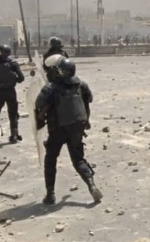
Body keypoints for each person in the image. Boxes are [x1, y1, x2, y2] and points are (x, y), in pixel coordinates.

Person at [34, 58, 103, 206]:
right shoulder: (81, 84)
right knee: (78, 160)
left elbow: (38, 104)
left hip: (58, 129)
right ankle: (92, 186)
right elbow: (88, 102)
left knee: (51, 159)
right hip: (76, 128)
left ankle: (50, 194)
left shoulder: (51, 88)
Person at [0, 44, 25, 143]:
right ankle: (14, 135)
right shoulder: (13, 64)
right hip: (10, 91)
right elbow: (21, 78)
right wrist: (13, 79)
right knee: (13, 113)